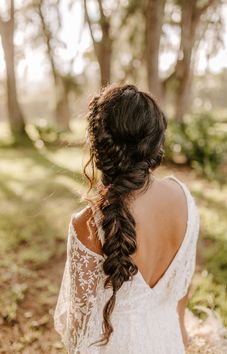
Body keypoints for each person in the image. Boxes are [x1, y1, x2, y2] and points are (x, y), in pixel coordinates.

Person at [53, 83, 200, 354]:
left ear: (99, 148)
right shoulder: (184, 199)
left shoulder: (86, 223)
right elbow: (180, 296)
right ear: (156, 141)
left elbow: (79, 329)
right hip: (169, 343)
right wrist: (180, 341)